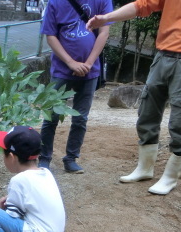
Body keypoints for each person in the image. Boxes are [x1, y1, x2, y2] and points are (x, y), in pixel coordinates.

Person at [87, 0, 181, 195]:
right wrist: (107, 18)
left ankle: (171, 177)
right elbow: (142, 5)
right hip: (162, 56)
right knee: (147, 113)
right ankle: (145, 168)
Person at [38, 0, 112, 173]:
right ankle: (44, 158)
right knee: (51, 116)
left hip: (90, 70)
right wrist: (71, 63)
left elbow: (104, 32)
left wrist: (88, 62)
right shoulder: (55, 2)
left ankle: (71, 158)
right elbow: (50, 35)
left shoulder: (102, 1)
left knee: (80, 118)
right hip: (61, 70)